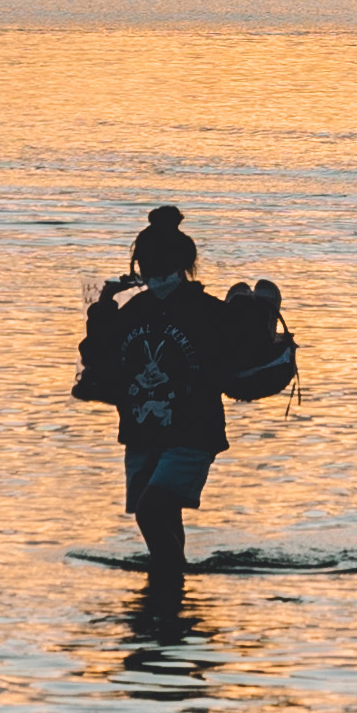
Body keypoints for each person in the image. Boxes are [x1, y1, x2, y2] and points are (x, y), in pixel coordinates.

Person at [76, 204, 247, 576]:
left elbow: (231, 360)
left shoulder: (207, 311)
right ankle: (170, 592)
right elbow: (98, 355)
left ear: (181, 264)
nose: (151, 272)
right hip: (142, 431)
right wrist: (104, 303)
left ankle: (170, 576)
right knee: (163, 513)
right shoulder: (133, 311)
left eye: (156, 263)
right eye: (146, 265)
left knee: (151, 510)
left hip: (193, 432)